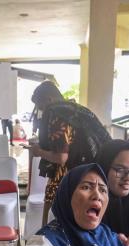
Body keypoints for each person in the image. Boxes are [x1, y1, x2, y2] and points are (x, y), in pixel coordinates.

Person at [27, 80, 109, 225]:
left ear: (49, 100)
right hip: (87, 171)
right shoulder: (73, 110)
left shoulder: (57, 114)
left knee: (54, 223)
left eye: (41, 107)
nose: (42, 112)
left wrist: (38, 151)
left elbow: (61, 157)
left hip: (67, 177)